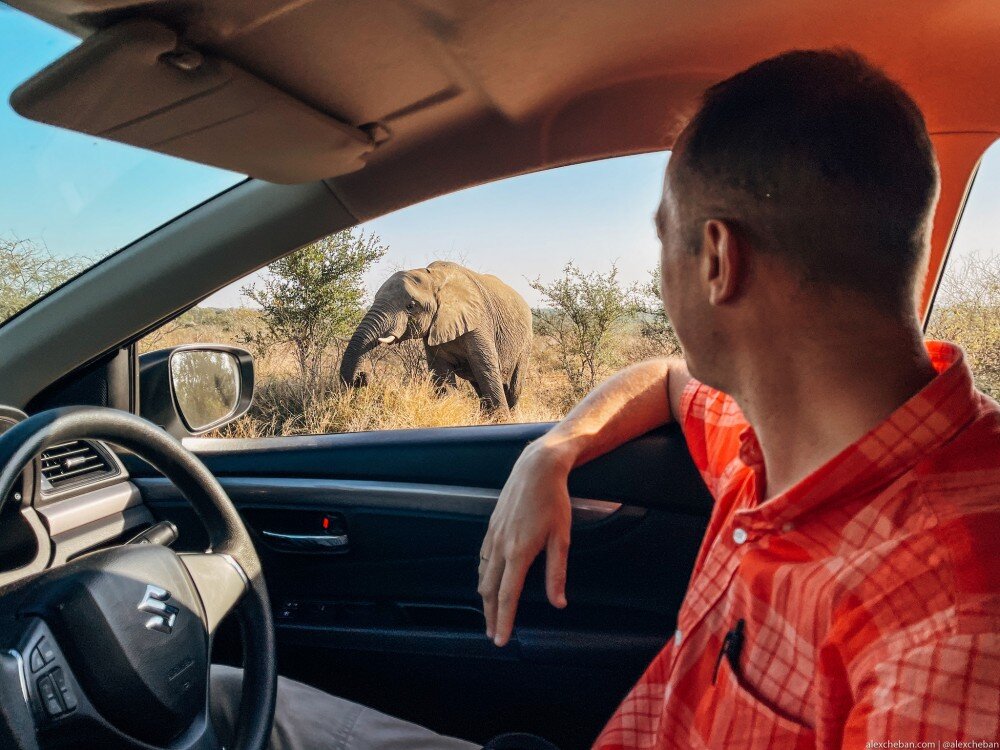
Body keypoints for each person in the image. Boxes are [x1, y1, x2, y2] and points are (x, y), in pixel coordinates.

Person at [211, 49, 1000, 749]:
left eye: (665, 240)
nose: (661, 275)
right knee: (221, 696)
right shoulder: (790, 432)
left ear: (719, 258)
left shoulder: (950, 627)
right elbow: (664, 378)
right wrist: (553, 448)